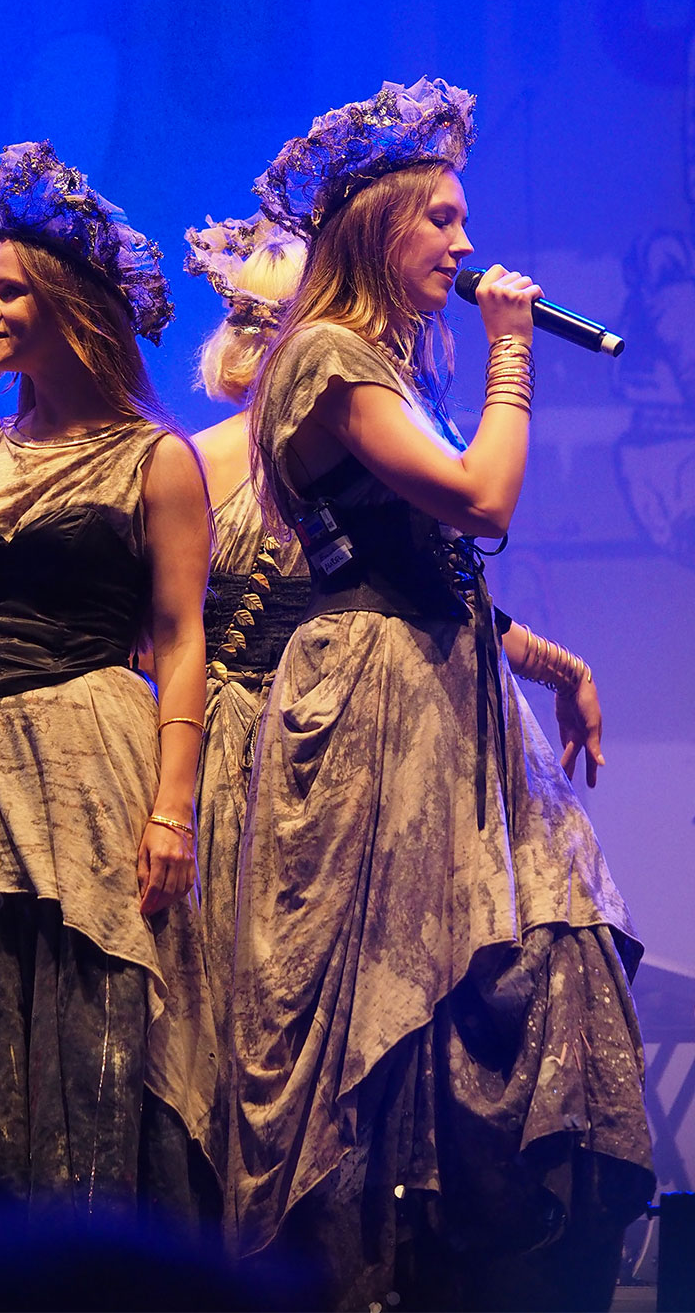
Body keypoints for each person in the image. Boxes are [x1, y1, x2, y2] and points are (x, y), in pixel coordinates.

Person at [230, 78, 655, 1311]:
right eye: (445, 223)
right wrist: (515, 353)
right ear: (380, 230)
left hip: (446, 692)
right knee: (397, 995)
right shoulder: (324, 353)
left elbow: (441, 577)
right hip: (371, 711)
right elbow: (482, 505)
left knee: (559, 947)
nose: (468, 250)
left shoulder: (386, 366)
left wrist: (552, 662)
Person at [0, 141, 219, 1266]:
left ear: (69, 307)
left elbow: (180, 638)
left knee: (91, 1026)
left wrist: (172, 809)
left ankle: (100, 1270)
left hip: (89, 756)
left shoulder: (151, 458)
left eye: (9, 289)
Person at [182, 212, 310, 1176]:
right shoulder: (196, 461)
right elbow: (155, 636)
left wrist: (553, 661)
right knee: (228, 1008)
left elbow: (436, 590)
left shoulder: (351, 457)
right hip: (224, 755)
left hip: (333, 748)